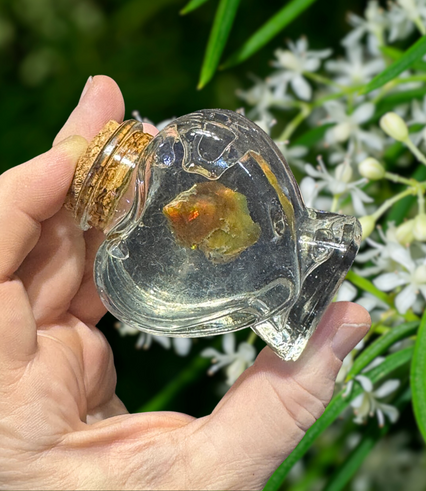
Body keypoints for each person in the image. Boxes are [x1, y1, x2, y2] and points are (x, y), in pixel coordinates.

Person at [0, 75, 370, 490]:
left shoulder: (187, 144)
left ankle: (300, 260)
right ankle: (281, 309)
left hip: (307, 242)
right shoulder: (115, 269)